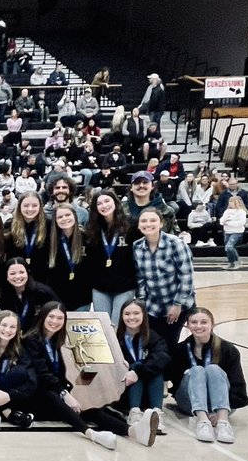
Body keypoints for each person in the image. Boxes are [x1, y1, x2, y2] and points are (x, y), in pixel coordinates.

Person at [23, 302, 125, 450]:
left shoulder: (59, 340)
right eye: (51, 316)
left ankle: (132, 431)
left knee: (89, 407)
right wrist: (64, 394)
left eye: (59, 318)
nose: (55, 321)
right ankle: (91, 434)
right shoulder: (31, 340)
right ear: (43, 317)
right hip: (39, 394)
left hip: (58, 389)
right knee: (54, 397)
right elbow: (42, 374)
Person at [166, 308, 248, 443]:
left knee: (213, 369)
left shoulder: (228, 350)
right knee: (197, 370)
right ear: (187, 325)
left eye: (203, 322)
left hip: (223, 404)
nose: (198, 326)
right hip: (191, 404)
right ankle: (203, 422)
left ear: (212, 324)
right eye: (194, 322)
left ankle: (223, 422)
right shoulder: (180, 349)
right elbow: (173, 381)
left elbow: (238, 387)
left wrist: (222, 412)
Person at [133, 209, 195, 343]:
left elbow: (186, 278)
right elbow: (140, 278)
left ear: (161, 224)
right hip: (153, 307)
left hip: (177, 305)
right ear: (138, 225)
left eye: (153, 220)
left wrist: (177, 304)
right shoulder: (137, 247)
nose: (148, 224)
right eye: (144, 221)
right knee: (154, 344)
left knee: (170, 344)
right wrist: (142, 304)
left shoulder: (176, 244)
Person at [115, 299, 168, 445]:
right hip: (124, 391)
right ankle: (134, 413)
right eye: (127, 314)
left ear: (144, 315)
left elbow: (162, 357)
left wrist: (138, 370)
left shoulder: (153, 336)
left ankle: (157, 413)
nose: (131, 317)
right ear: (121, 316)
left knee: (149, 367)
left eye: (136, 313)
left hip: (149, 391)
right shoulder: (115, 338)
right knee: (136, 366)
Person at [84, 189, 137, 327]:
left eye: (107, 201)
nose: (104, 205)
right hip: (100, 287)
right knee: (103, 327)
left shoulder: (131, 224)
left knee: (117, 325)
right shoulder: (92, 228)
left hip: (125, 286)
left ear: (115, 202)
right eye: (99, 203)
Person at [219, 195, 248, 270]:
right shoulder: (227, 211)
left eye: (232, 202)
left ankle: (237, 261)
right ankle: (231, 262)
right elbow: (222, 220)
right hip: (227, 231)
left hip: (236, 232)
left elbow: (241, 222)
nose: (231, 203)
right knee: (227, 248)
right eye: (230, 201)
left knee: (229, 246)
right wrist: (224, 222)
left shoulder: (241, 212)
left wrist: (229, 223)